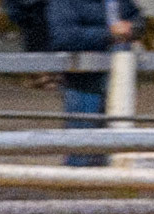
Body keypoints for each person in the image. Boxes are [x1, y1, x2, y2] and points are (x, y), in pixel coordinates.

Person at [46, 0, 144, 167]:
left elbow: (137, 17)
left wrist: (133, 27)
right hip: (84, 83)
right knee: (81, 149)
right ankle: (75, 183)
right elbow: (64, 37)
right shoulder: (64, 3)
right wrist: (109, 33)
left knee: (115, 144)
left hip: (119, 80)